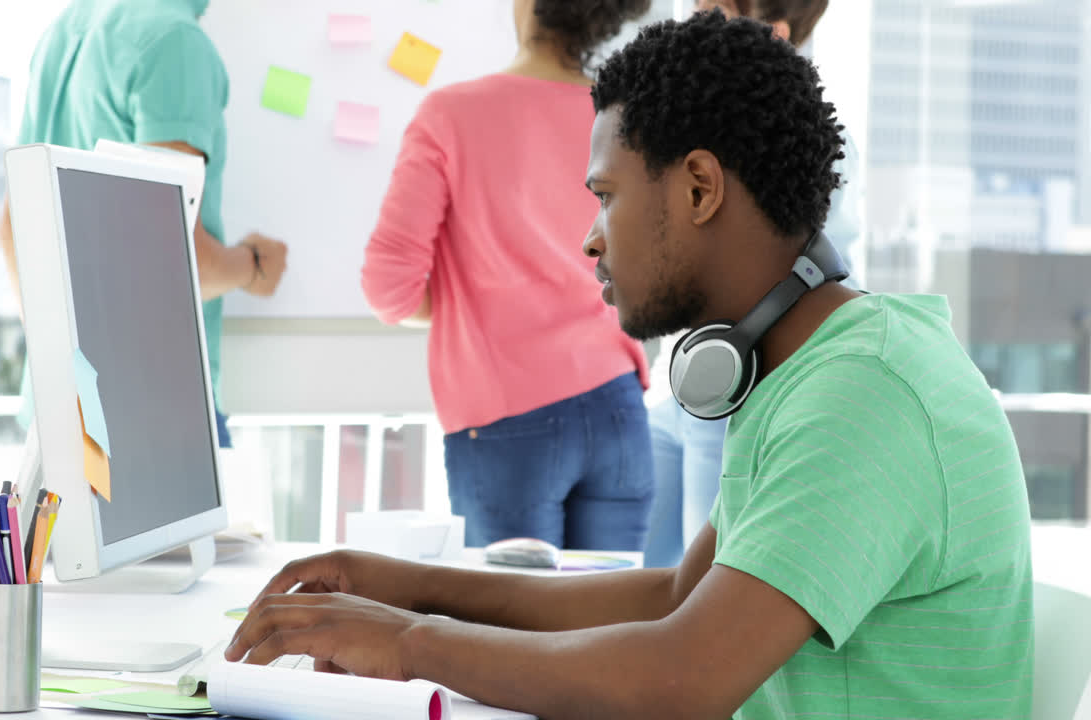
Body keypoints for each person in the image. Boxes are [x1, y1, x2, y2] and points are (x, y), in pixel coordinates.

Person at [225, 12, 1033, 719]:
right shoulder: (813, 366)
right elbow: (678, 600)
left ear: (700, 188)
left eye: (606, 194)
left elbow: (683, 678)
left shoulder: (863, 396)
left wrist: (409, 642)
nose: (591, 237)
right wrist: (404, 587)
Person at [362, 0, 653, 550]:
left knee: (508, 633)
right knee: (613, 627)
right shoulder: (624, 117)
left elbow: (388, 289)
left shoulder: (450, 115)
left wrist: (462, 299)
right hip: (617, 407)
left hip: (506, 421)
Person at [0, 0, 287, 448]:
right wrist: (252, 266)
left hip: (60, 400)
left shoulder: (67, 28)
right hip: (151, 411)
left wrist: (60, 358)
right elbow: (168, 259)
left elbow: (14, 228)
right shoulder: (174, 43)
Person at [642, 0, 865, 568]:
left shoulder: (807, 147)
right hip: (693, 384)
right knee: (644, 570)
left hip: (744, 379)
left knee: (697, 593)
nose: (692, 21)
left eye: (709, 9)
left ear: (772, 33)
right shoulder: (702, 131)